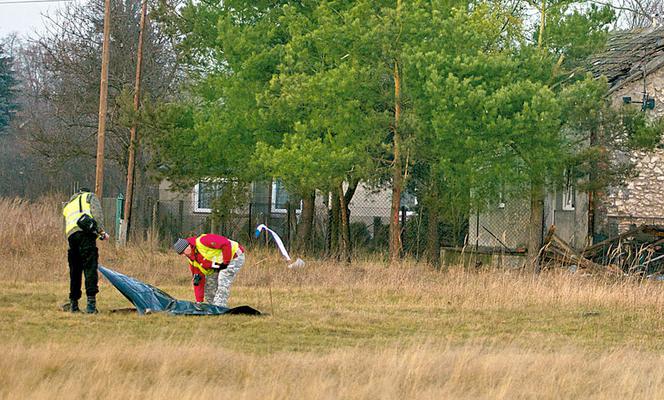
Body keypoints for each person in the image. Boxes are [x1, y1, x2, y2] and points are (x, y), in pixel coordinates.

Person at [62, 188, 109, 313]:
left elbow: (66, 224)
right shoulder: (89, 197)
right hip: (85, 234)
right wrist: (101, 232)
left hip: (71, 237)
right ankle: (91, 306)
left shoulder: (69, 204)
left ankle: (74, 305)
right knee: (90, 268)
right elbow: (97, 214)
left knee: (75, 271)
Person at [173, 234, 245, 307]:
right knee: (209, 285)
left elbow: (226, 243)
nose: (183, 255)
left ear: (188, 246)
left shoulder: (203, 241)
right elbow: (198, 281)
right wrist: (199, 302)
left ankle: (220, 308)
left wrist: (226, 262)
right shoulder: (193, 261)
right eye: (181, 254)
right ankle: (213, 307)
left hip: (234, 256)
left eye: (183, 252)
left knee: (223, 279)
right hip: (220, 265)